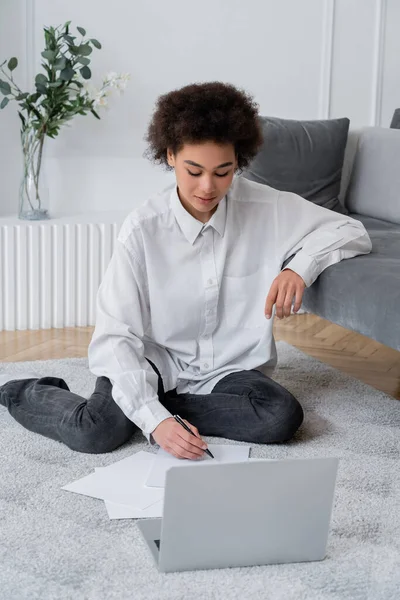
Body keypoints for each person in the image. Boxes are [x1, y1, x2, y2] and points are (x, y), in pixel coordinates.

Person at [0, 82, 372, 459]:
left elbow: (349, 230)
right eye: (194, 170)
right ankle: (22, 390)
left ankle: (149, 413)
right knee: (95, 433)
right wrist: (154, 418)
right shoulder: (143, 229)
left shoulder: (266, 207)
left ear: (238, 163)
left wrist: (299, 269)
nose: (208, 187)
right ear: (171, 155)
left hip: (227, 372)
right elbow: (115, 336)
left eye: (223, 172)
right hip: (155, 363)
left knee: (280, 417)